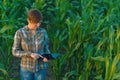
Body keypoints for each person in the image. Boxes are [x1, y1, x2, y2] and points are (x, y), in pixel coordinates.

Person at [12, 9, 51, 80]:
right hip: (26, 69)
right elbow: (15, 51)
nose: (38, 25)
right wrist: (30, 54)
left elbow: (46, 47)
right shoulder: (20, 33)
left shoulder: (43, 32)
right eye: (35, 23)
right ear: (28, 20)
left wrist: (47, 56)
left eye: (39, 22)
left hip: (41, 68)